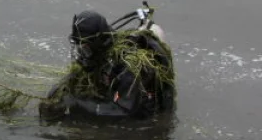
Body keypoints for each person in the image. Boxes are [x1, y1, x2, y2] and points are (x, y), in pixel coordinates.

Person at [39, 8, 176, 120]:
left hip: (140, 113)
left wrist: (76, 104)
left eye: (85, 48)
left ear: (98, 44)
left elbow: (123, 111)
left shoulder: (127, 68)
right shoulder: (96, 55)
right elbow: (77, 77)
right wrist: (57, 93)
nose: (81, 53)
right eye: (79, 46)